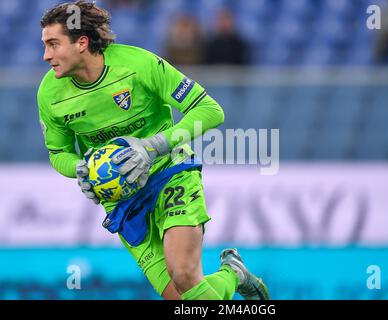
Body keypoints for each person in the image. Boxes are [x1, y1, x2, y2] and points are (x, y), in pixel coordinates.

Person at [37, 1, 269, 300]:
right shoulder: (49, 94)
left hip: (170, 172)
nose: (46, 55)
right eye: (45, 45)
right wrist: (80, 168)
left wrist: (152, 147)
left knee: (184, 274)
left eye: (53, 44)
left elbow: (210, 111)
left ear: (81, 43)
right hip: (121, 197)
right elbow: (59, 154)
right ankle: (232, 275)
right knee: (178, 297)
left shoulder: (139, 65)